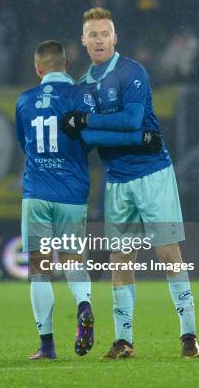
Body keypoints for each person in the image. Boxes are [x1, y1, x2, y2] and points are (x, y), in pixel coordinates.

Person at [63, 7, 199, 359]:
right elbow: (94, 141)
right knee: (120, 261)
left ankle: (189, 335)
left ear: (114, 38)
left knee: (169, 254)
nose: (98, 40)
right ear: (83, 41)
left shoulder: (131, 72)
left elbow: (133, 119)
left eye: (104, 34)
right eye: (92, 35)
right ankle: (124, 340)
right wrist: (86, 130)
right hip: (118, 181)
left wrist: (87, 122)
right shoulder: (81, 86)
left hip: (153, 174)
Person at [16, 40, 158, 360]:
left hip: (36, 192)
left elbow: (24, 144)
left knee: (39, 268)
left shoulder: (24, 101)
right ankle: (84, 305)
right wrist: (138, 139)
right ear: (67, 65)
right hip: (71, 193)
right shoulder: (81, 96)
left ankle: (47, 346)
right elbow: (93, 137)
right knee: (71, 260)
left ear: (38, 69)